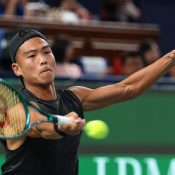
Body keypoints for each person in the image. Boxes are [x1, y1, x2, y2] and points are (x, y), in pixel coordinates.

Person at [1, 28, 175, 175]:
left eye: (47, 51)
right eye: (32, 56)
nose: (43, 59)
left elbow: (129, 88)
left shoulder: (74, 97)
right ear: (17, 69)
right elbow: (41, 127)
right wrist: (62, 125)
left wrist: (171, 58)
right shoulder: (17, 109)